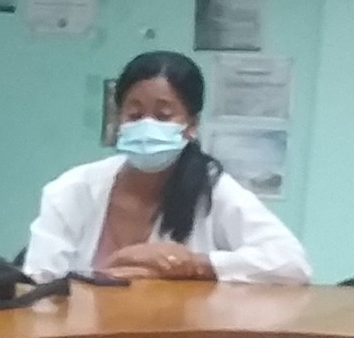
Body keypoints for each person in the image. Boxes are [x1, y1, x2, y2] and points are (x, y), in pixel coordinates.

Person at [24, 52, 309, 285]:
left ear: (192, 125)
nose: (147, 125)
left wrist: (194, 265)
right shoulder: (73, 190)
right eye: (134, 114)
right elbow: (38, 281)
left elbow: (291, 263)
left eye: (163, 116)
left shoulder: (212, 190)